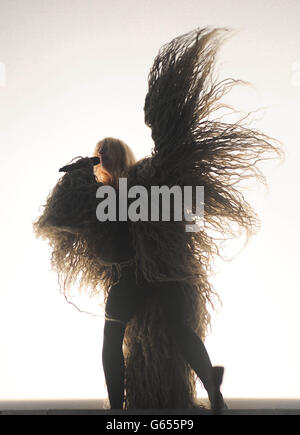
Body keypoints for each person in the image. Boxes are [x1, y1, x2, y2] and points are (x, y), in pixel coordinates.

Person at [33, 27, 283, 411]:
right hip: (164, 275)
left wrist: (81, 172)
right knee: (182, 330)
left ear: (106, 161)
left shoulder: (107, 192)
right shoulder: (144, 180)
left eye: (102, 158)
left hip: (133, 276)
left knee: (112, 337)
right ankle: (213, 391)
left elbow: (65, 216)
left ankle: (118, 408)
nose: (104, 163)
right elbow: (183, 207)